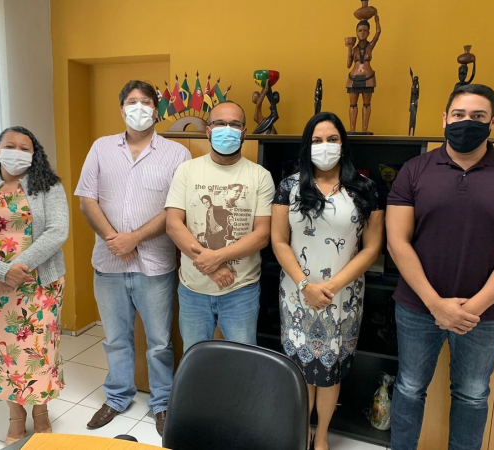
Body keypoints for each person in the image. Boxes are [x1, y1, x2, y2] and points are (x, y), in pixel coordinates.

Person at [386, 84, 494, 450]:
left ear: (493, 121)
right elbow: (397, 242)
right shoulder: (414, 170)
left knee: (472, 395)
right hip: (417, 307)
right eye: (458, 115)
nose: (466, 122)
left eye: (477, 116)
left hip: (484, 315)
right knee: (409, 387)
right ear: (445, 118)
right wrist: (435, 304)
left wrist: (471, 309)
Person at [75, 80, 190, 436]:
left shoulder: (177, 154)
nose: (138, 107)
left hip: (155, 266)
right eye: (131, 101)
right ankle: (117, 396)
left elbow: (176, 208)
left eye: (146, 101)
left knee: (159, 343)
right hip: (108, 263)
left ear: (157, 109)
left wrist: (134, 239)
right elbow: (87, 200)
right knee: (115, 338)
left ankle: (162, 403)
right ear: (121, 108)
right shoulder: (101, 148)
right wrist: (115, 239)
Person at [271, 112, 384, 450]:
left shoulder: (365, 189)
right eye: (317, 140)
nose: (325, 146)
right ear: (307, 147)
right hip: (297, 295)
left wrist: (332, 287)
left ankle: (321, 436)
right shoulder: (289, 187)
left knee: (329, 370)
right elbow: (279, 240)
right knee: (302, 368)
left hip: (343, 298)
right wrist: (304, 285)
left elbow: (373, 247)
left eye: (332, 139)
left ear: (343, 145)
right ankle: (302, 431)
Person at [0, 126, 69, 445]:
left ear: (34, 154)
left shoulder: (49, 186)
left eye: (24, 148)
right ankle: (16, 417)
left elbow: (58, 231)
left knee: (39, 351)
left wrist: (21, 268)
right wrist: (1, 270)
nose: (17, 152)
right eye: (10, 146)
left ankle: (41, 412)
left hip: (40, 286)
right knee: (4, 354)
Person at [165, 101, 275, 353]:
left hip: (241, 291)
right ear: (208, 130)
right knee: (195, 359)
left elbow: (262, 235)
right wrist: (212, 267)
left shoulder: (260, 176)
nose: (227, 129)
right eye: (219, 123)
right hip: (193, 290)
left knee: (242, 361)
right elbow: (173, 224)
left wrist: (215, 259)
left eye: (234, 124)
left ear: (244, 132)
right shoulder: (187, 170)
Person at [345, 14, 381, 133]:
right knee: (352, 105)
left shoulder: (370, 46)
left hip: (368, 77)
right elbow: (348, 64)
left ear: (368, 32)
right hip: (353, 77)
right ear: (356, 32)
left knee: (366, 104)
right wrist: (349, 48)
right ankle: (352, 129)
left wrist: (377, 21)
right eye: (360, 30)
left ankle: (365, 129)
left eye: (365, 30)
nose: (362, 33)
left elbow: (378, 33)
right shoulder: (354, 48)